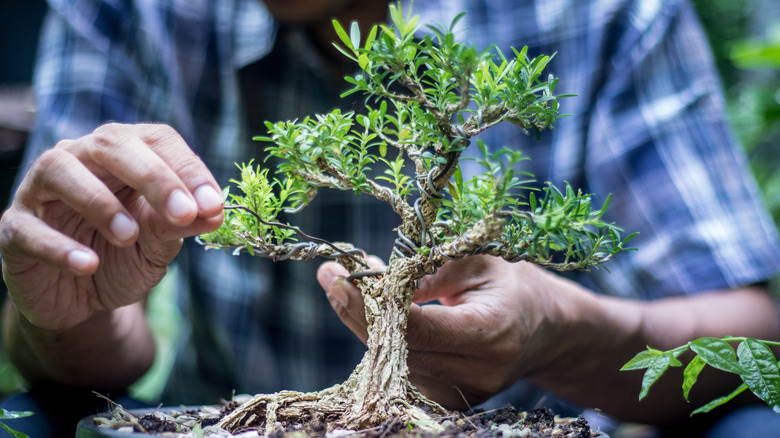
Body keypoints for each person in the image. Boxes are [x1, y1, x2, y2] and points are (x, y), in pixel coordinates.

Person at [1, 0, 779, 437]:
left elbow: (756, 331)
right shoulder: (126, 9)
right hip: (237, 415)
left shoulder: (607, 12)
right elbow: (81, 355)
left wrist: (566, 326)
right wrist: (68, 311)